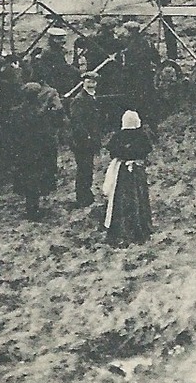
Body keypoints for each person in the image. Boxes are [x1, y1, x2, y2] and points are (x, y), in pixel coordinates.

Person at [103, 110, 154, 246]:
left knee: (122, 200)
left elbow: (113, 151)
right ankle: (140, 228)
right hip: (136, 171)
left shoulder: (119, 136)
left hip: (122, 172)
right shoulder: (141, 136)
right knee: (138, 199)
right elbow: (146, 150)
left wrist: (123, 155)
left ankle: (124, 230)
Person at [14, 82, 62, 220]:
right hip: (38, 151)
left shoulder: (17, 111)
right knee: (35, 180)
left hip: (23, 151)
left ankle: (32, 207)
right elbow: (49, 130)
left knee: (29, 180)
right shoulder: (39, 112)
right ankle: (33, 210)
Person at [67, 72, 104, 208]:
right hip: (82, 141)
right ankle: (82, 197)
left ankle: (86, 195)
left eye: (93, 82)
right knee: (84, 169)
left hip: (90, 139)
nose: (91, 84)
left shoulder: (93, 97)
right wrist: (86, 137)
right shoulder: (79, 99)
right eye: (88, 81)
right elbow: (77, 122)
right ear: (83, 83)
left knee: (87, 168)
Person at [117, 20, 162, 128]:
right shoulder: (147, 42)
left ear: (130, 31)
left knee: (133, 99)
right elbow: (156, 57)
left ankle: (135, 122)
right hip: (146, 75)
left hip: (132, 76)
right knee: (147, 98)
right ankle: (150, 122)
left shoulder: (127, 43)